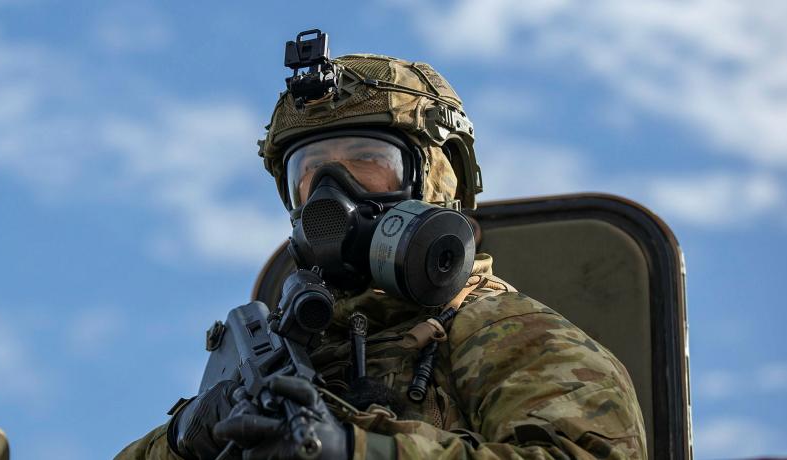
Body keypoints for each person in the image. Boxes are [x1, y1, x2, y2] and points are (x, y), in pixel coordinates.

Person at [117, 40, 646, 460]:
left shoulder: (505, 333)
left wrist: (357, 449)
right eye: (311, 173)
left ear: (439, 179)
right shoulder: (286, 347)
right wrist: (185, 439)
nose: (331, 194)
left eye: (368, 159)